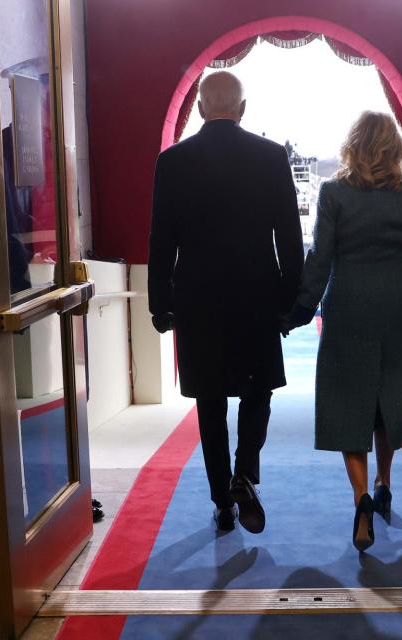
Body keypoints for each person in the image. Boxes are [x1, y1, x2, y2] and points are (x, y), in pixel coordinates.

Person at [147, 71, 304, 533]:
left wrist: (161, 302)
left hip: (198, 299)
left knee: (210, 403)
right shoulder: (271, 156)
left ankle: (222, 500)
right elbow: (289, 239)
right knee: (259, 392)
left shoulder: (173, 161)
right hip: (256, 296)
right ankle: (245, 472)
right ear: (242, 108)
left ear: (199, 108)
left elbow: (161, 241)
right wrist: (290, 300)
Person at [283, 112, 402, 551]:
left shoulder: (334, 192)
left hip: (348, 305)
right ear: (397, 147)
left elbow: (321, 258)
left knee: (347, 401)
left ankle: (362, 499)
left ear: (352, 145)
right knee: (390, 398)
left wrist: (301, 308)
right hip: (398, 306)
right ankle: (384, 479)